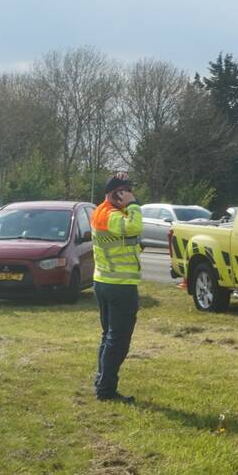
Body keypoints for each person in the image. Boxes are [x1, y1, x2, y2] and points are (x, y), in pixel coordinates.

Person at [91, 173, 143, 403]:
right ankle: (106, 390)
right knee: (118, 341)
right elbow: (133, 228)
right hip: (120, 286)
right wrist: (133, 205)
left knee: (108, 336)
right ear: (116, 194)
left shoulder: (101, 211)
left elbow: (123, 241)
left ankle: (102, 381)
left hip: (104, 281)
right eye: (126, 191)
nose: (131, 195)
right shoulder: (112, 215)